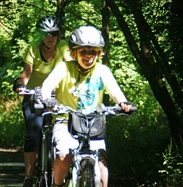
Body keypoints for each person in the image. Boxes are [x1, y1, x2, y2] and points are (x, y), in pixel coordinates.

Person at [41, 25, 132, 187]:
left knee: (101, 159)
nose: (89, 56)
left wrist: (123, 103)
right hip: (65, 121)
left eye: (93, 52)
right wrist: (48, 100)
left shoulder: (103, 71)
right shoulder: (64, 68)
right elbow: (46, 87)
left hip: (93, 124)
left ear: (99, 54)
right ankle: (57, 185)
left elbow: (115, 91)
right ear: (74, 53)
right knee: (64, 155)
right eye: (84, 51)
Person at [15, 15, 71, 187]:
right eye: (46, 34)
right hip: (35, 94)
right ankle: (29, 177)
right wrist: (20, 86)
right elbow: (26, 75)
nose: (50, 37)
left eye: (54, 33)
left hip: (58, 95)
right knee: (34, 135)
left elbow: (71, 65)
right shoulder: (33, 48)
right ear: (40, 35)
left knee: (67, 130)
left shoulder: (63, 47)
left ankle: (65, 172)